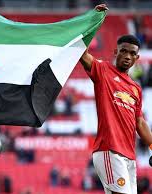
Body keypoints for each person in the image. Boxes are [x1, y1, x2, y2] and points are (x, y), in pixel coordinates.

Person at [80, 4, 152, 194]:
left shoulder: (136, 88)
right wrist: (92, 20)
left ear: (137, 58)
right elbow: (81, 52)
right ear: (115, 52)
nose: (127, 56)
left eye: (132, 53)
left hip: (129, 156)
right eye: (123, 51)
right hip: (109, 151)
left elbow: (140, 121)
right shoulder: (103, 70)